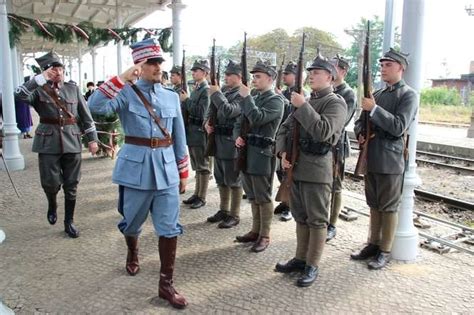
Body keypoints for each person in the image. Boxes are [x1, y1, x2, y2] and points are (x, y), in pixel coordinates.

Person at [88, 38, 189, 309]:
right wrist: (121, 78)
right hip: (136, 170)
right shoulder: (124, 92)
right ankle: (133, 250)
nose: (158, 67)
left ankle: (166, 284)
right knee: (132, 222)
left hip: (166, 169)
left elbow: (179, 135)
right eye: (152, 62)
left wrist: (182, 170)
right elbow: (95, 107)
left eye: (159, 62)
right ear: (139, 65)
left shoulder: (170, 96)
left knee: (169, 227)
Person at [274, 53, 346, 287]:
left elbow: (323, 131)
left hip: (317, 169)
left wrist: (303, 105)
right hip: (297, 167)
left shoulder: (335, 102)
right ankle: (300, 258)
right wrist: (283, 153)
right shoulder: (305, 101)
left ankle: (312, 265)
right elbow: (284, 130)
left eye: (316, 72)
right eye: (310, 72)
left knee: (317, 220)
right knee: (301, 216)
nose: (310, 76)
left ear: (329, 76)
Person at [14, 51, 99, 238]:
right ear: (45, 71)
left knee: (72, 184)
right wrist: (39, 79)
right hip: (47, 142)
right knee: (50, 183)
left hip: (72, 139)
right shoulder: (37, 89)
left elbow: (86, 116)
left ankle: (69, 221)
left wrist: (92, 139)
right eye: (54, 69)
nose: (58, 72)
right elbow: (18, 96)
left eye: (60, 68)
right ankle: (52, 203)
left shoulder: (73, 88)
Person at [351, 48, 418, 270]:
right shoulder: (377, 95)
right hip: (371, 155)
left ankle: (385, 250)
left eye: (388, 65)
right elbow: (360, 122)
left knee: (388, 207)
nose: (383, 69)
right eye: (382, 65)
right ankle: (373, 243)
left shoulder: (408, 95)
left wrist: (375, 110)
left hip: (390, 160)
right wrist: (360, 133)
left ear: (401, 67)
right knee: (373, 203)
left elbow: (399, 127)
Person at [234, 59, 284, 252]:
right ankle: (255, 230)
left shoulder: (276, 100)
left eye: (258, 76)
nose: (254, 80)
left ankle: (265, 234)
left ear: (270, 79)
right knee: (252, 195)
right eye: (253, 76)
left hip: (262, 153)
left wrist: (247, 98)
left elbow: (257, 118)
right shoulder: (253, 95)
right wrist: (237, 135)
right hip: (247, 150)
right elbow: (240, 119)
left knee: (262, 196)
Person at [205, 60, 244, 228]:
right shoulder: (225, 92)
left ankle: (234, 214)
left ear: (239, 76)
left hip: (230, 143)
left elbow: (229, 111)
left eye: (230, 75)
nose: (226, 77)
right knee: (221, 178)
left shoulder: (243, 94)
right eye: (226, 74)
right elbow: (211, 110)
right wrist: (206, 122)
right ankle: (224, 210)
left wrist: (215, 94)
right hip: (218, 141)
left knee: (233, 180)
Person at [326, 54, 357, 241]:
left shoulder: (348, 94)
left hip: (337, 145)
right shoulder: (326, 90)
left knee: (335, 186)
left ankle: (332, 223)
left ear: (343, 71)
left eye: (333, 67)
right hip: (323, 144)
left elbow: (341, 122)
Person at [180, 60, 211, 209]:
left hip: (199, 132)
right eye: (193, 70)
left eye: (197, 70)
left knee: (203, 166)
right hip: (192, 132)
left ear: (205, 73)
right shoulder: (197, 89)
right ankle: (197, 194)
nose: (193, 73)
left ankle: (202, 197)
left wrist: (187, 100)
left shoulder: (206, 90)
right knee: (197, 166)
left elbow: (201, 112)